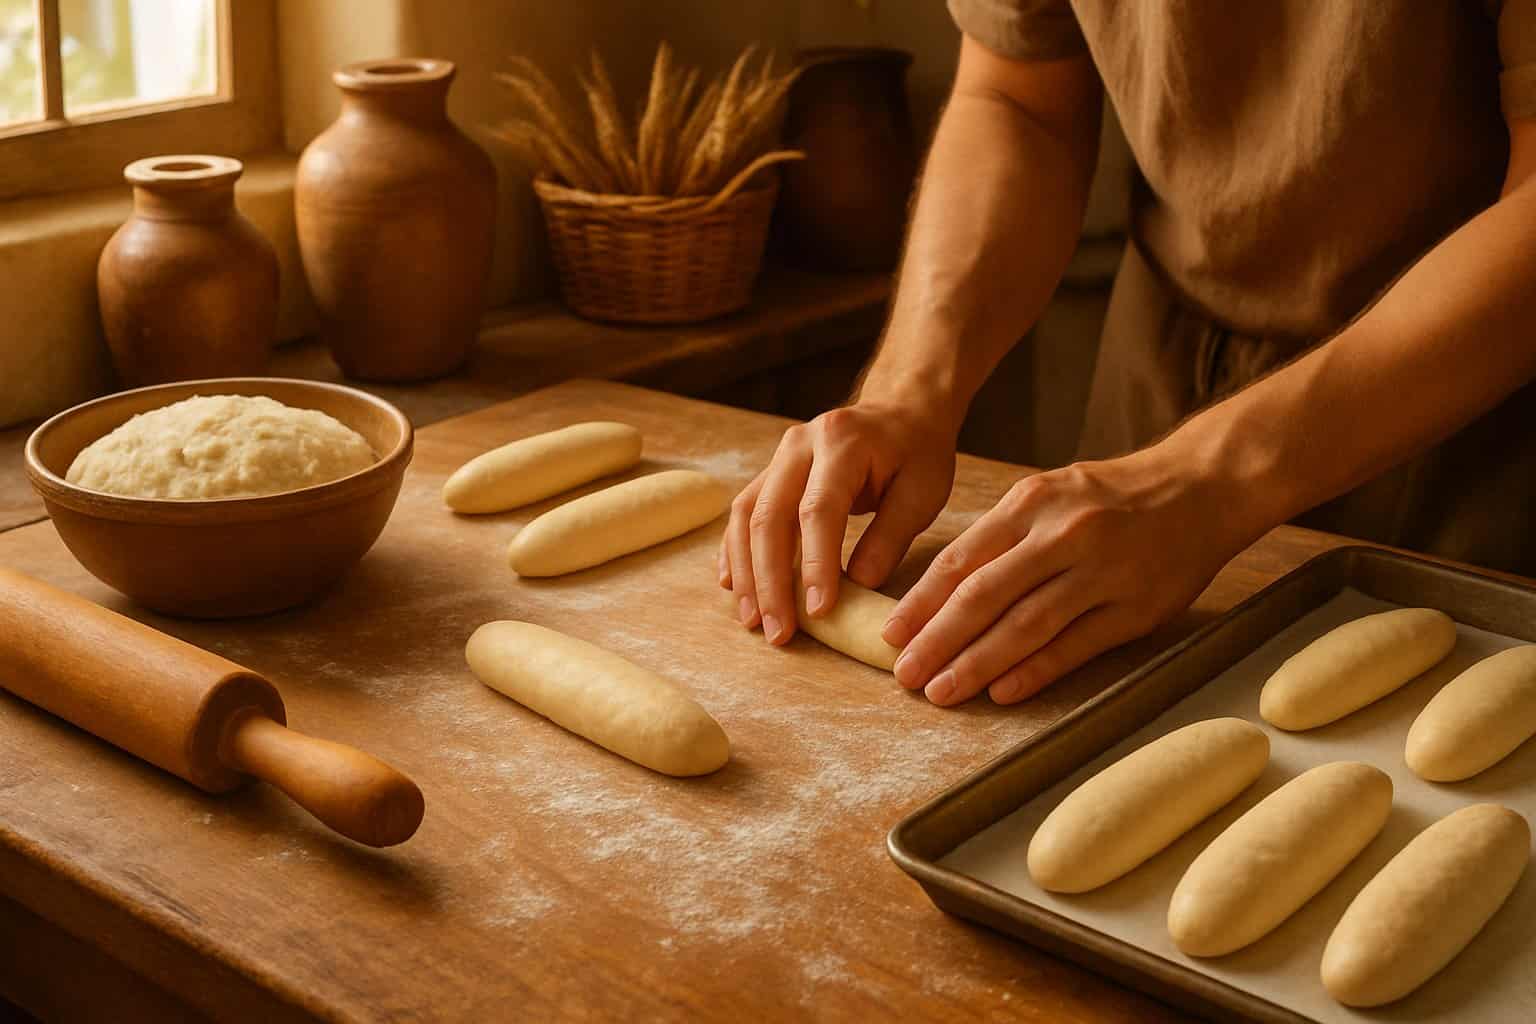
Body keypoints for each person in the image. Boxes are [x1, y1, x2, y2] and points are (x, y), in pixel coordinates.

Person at [717, 2, 1536, 708]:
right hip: (1161, 395)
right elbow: (1018, 98)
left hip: (1461, 431)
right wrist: (910, 387)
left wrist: (1209, 479)